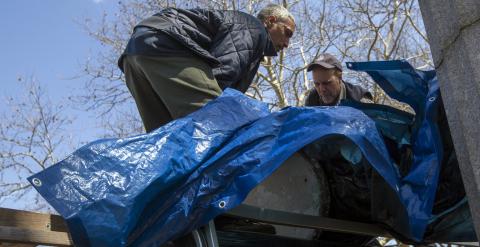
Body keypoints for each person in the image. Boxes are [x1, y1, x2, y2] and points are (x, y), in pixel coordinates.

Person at [118, 4, 295, 132]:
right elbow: (221, 73)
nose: (287, 44)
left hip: (135, 55)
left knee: (165, 138)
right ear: (270, 21)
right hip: (167, 43)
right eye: (287, 33)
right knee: (221, 126)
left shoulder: (248, 33)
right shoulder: (253, 28)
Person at [304, 53, 372, 106]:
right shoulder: (312, 100)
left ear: (340, 77)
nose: (322, 89)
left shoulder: (359, 97)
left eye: (327, 83)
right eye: (317, 84)